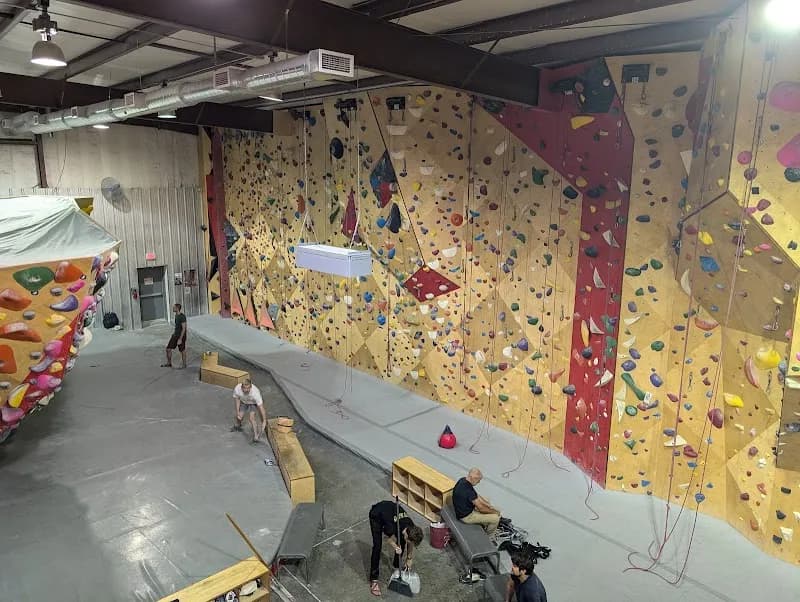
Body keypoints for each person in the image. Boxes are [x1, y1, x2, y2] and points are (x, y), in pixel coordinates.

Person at [368, 499, 423, 597]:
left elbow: (410, 542)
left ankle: (396, 567)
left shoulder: (411, 527)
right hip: (377, 515)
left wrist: (409, 558)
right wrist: (395, 547)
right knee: (377, 546)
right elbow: (387, 538)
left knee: (402, 541)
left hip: (391, 510)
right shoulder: (391, 527)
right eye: (409, 540)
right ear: (407, 534)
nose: (410, 543)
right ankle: (374, 579)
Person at [452, 467, 501, 535]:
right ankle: (489, 535)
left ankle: (486, 521)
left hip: (463, 507)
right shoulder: (468, 491)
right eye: (478, 480)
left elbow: (476, 495)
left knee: (487, 499)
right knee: (495, 519)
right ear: (474, 478)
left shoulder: (463, 480)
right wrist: (495, 512)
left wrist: (488, 505)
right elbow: (481, 508)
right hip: (466, 516)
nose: (479, 482)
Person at [232, 379, 267, 443]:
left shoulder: (255, 393)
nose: (246, 390)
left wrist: (264, 420)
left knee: (251, 418)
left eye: (248, 388)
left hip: (253, 403)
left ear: (251, 387)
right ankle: (238, 425)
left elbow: (261, 407)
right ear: (241, 387)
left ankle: (256, 436)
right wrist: (237, 412)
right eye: (244, 388)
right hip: (244, 401)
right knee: (240, 416)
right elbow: (237, 400)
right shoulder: (237, 389)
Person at [162, 303, 187, 368]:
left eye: (174, 307)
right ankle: (169, 363)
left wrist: (180, 339)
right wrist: (174, 333)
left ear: (177, 308)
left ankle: (184, 365)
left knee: (182, 350)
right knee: (168, 349)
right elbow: (177, 327)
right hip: (175, 335)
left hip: (181, 336)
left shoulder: (182, 316)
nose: (173, 308)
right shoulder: (176, 315)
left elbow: (184, 328)